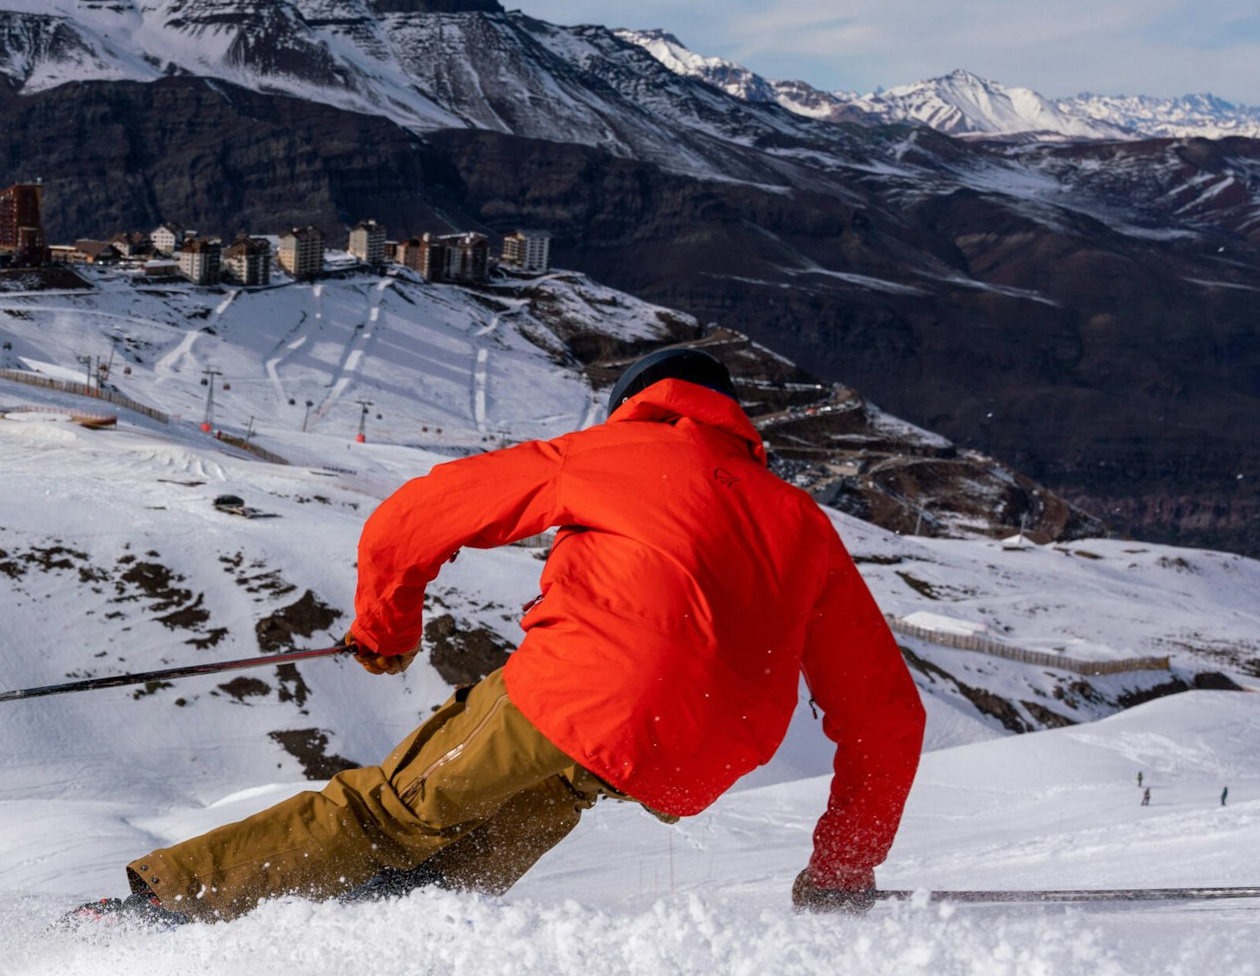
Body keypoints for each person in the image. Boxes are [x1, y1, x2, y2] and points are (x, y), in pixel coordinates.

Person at [84, 347, 927, 926]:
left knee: (386, 812)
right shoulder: (803, 522)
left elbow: (414, 515)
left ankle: (159, 908)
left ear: (634, 404)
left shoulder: (610, 452)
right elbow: (887, 718)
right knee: (535, 799)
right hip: (701, 755)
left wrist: (386, 630)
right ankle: (387, 932)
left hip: (580, 693)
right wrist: (842, 872)